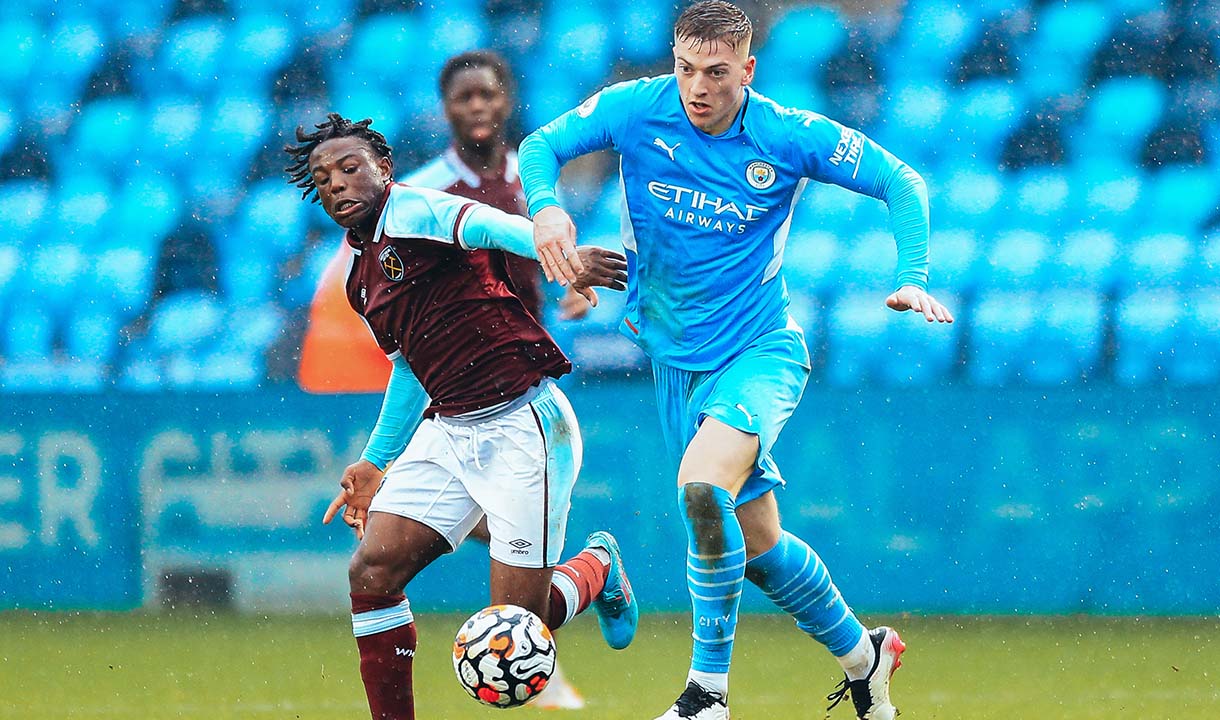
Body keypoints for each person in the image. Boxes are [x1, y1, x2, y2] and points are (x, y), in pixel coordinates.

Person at [518, 3, 954, 719]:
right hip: (673, 363)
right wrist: (547, 210)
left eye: (716, 72)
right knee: (759, 548)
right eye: (687, 68)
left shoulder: (784, 133)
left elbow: (901, 180)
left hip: (759, 354)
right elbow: (541, 146)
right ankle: (864, 656)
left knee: (699, 491)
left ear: (746, 70)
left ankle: (705, 697)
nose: (698, 86)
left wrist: (913, 273)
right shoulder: (637, 108)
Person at [284, 112, 638, 720]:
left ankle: (595, 568)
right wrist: (374, 462)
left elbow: (495, 227)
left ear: (384, 169)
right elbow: (410, 366)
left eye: (350, 167)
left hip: (524, 424)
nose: (337, 183)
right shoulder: (360, 279)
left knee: (518, 634)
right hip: (449, 430)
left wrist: (562, 258)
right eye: (323, 178)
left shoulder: (415, 210)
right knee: (372, 570)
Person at [404, 47, 594, 710]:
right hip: (449, 379)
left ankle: (536, 662)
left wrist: (569, 280)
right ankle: (583, 586)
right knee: (495, 522)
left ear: (506, 99)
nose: (477, 107)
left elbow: (543, 252)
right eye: (464, 98)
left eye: (487, 95)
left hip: (519, 375)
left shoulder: (530, 178)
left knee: (513, 522)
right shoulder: (428, 189)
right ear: (447, 108)